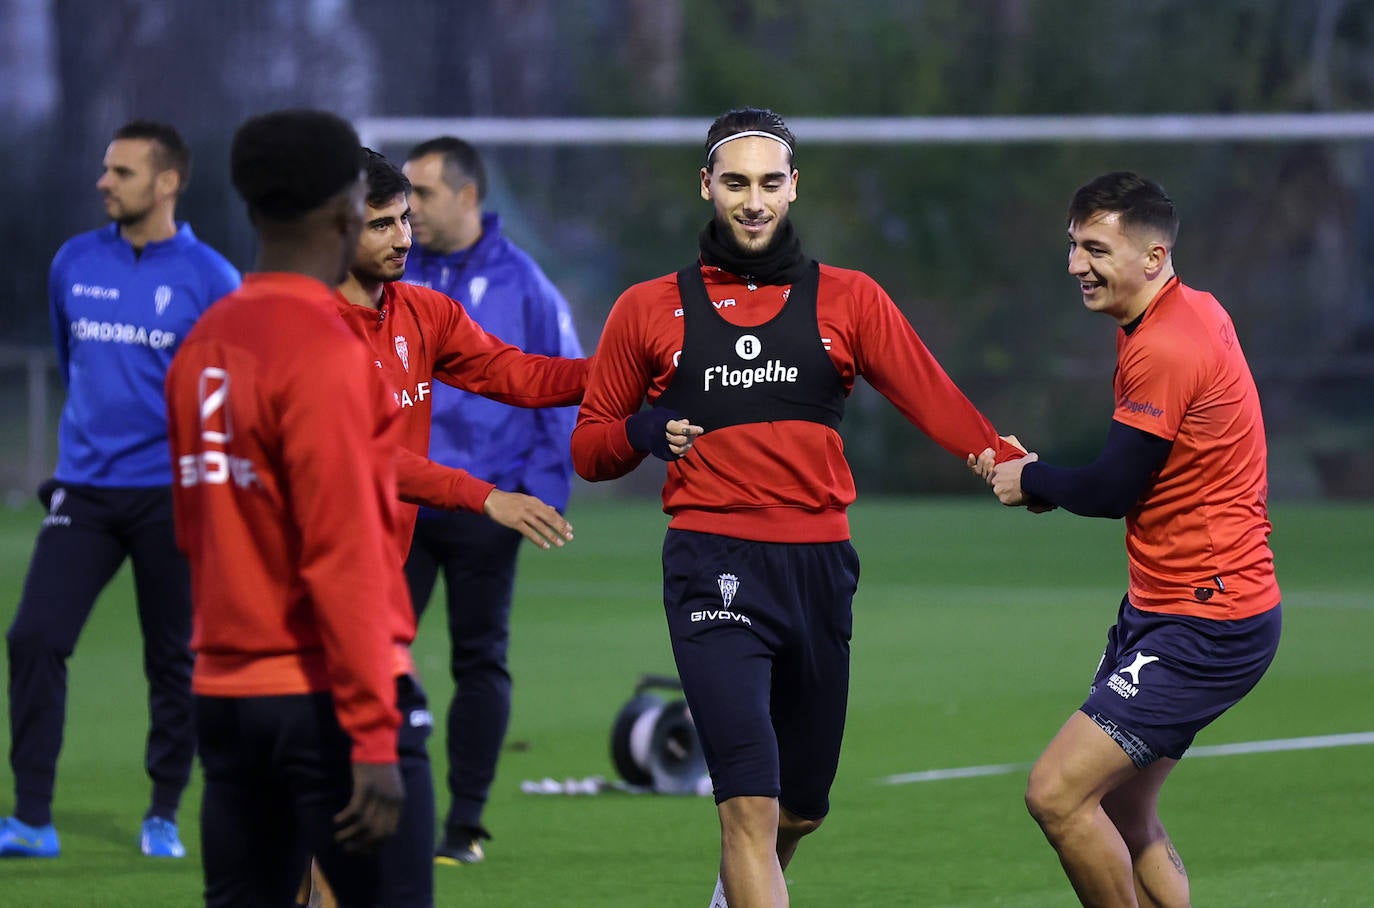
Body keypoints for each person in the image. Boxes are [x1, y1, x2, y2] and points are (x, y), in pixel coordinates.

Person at [570, 107, 1024, 908]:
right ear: (706, 186)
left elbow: (929, 394)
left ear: (794, 188)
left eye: (770, 184)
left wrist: (997, 456)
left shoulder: (849, 299)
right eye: (736, 183)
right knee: (746, 803)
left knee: (800, 808)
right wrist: (645, 429)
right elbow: (590, 448)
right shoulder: (647, 309)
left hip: (818, 568)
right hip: (712, 566)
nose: (753, 201)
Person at [971, 171, 1282, 907]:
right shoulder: (1186, 312)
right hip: (1175, 607)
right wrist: (1040, 482)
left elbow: (1113, 490)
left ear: (1153, 256)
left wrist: (1034, 478)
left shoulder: (1167, 343)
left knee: (1055, 794)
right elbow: (1145, 476)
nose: (1076, 263)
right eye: (1074, 245)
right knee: (1123, 808)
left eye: (1095, 248)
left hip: (1206, 620)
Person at [299, 148, 583, 906]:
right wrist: (482, 495)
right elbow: (366, 458)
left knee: (353, 799)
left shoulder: (420, 311)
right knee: (365, 776)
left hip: (375, 589)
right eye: (382, 224)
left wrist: (621, 366)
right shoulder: (309, 329)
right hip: (313, 589)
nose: (403, 236)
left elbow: (516, 373)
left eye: (405, 220)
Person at [165, 108, 409, 906]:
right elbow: (347, 554)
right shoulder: (328, 352)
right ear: (346, 208)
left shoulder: (201, 343)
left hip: (225, 702)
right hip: (325, 706)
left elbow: (196, 528)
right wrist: (376, 730)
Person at [1, 120, 240, 860]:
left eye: (123, 172)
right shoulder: (72, 263)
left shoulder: (212, 281)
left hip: (172, 496)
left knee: (172, 658)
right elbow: (76, 366)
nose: (105, 182)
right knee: (33, 638)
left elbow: (227, 400)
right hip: (85, 492)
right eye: (106, 169)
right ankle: (33, 818)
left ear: (167, 183)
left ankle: (163, 811)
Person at [398, 136, 585, 864]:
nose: (407, 208)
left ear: (468, 196)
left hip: (487, 509)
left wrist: (535, 493)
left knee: (479, 660)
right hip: (402, 502)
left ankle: (463, 825)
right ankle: (372, 814)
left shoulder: (526, 284)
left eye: (422, 192)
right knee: (372, 655)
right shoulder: (392, 274)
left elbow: (558, 387)